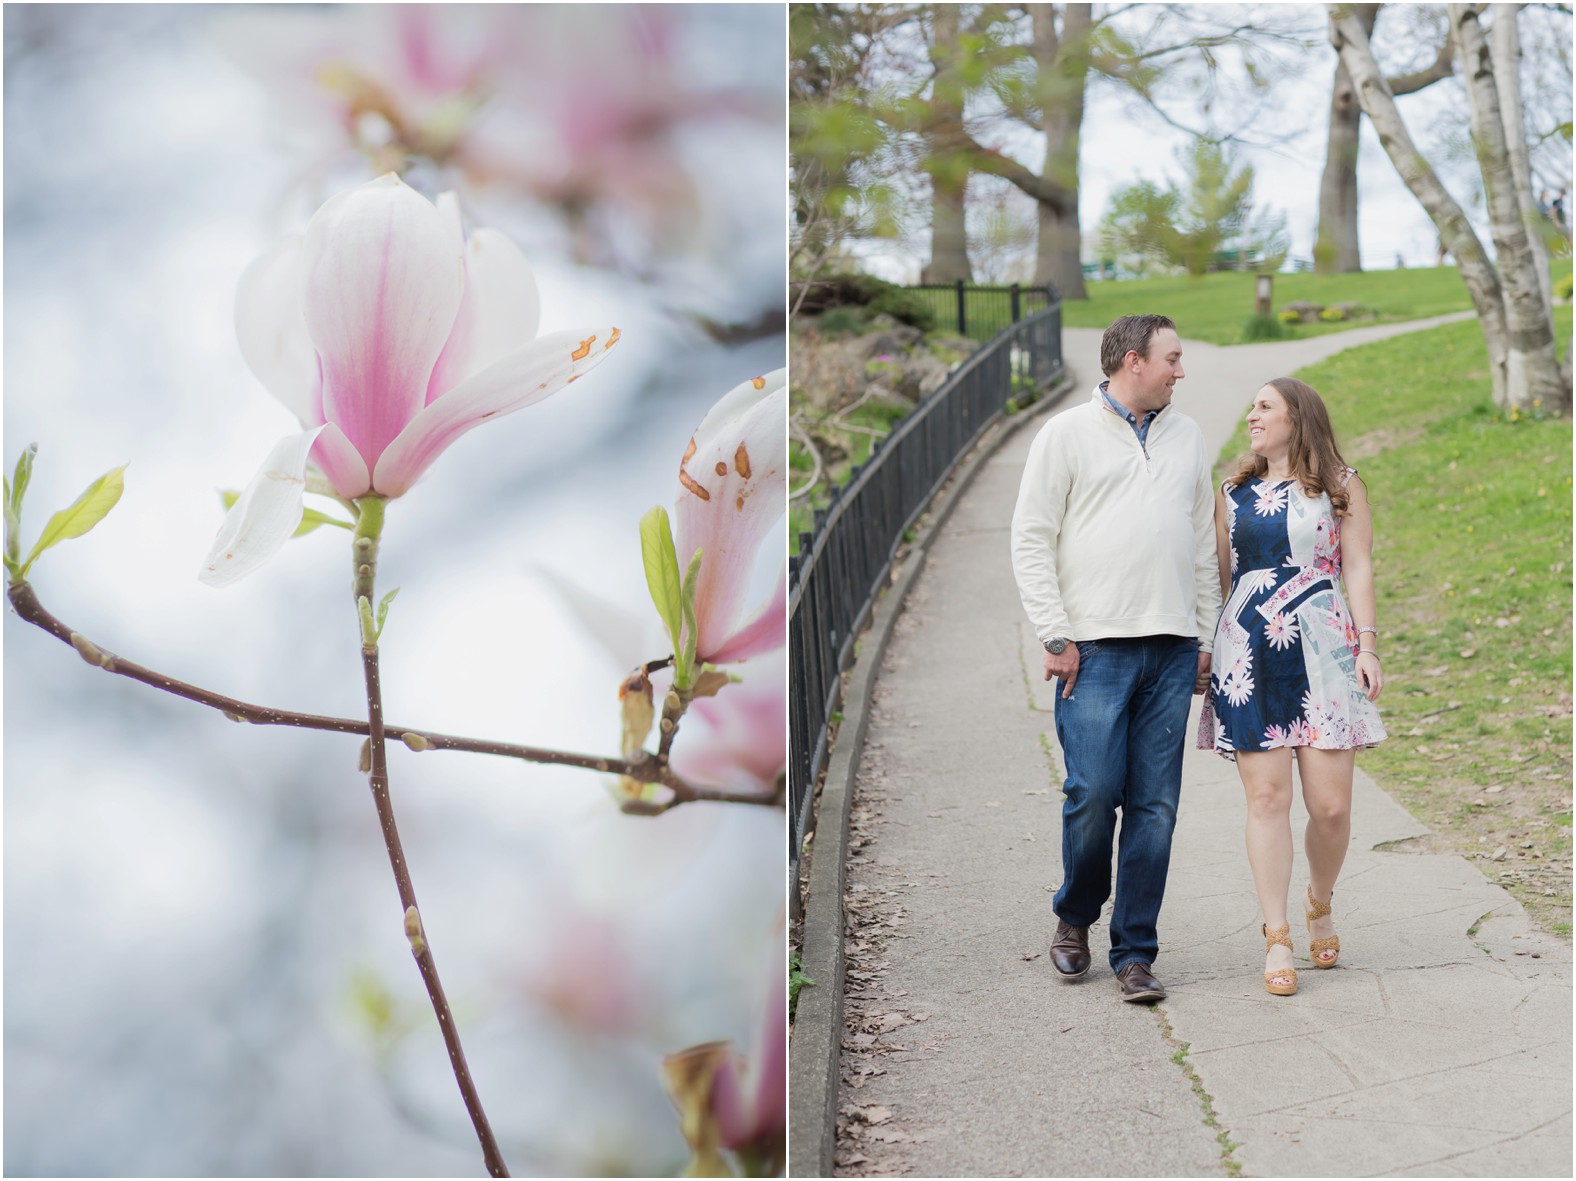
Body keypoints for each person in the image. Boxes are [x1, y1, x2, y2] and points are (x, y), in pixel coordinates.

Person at [1010, 314, 1220, 1004]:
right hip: (1092, 649)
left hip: (1169, 647)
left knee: (1155, 806)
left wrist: (1204, 636)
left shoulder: (1186, 436)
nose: (1181, 370)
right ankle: (1075, 915)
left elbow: (1198, 542)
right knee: (1093, 793)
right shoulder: (1065, 435)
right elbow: (1032, 537)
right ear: (1133, 361)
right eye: (1173, 357)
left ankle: (1135, 951)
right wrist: (1053, 633)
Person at [1200, 377, 1386, 997]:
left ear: (1297, 417)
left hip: (1325, 647)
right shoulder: (1232, 493)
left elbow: (1357, 565)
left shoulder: (1341, 484)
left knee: (1331, 806)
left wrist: (1367, 645)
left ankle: (1319, 899)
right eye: (1251, 405)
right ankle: (1277, 934)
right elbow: (1223, 580)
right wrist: (1212, 649)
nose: (1251, 416)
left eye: (1264, 407)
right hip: (1250, 650)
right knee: (1267, 800)